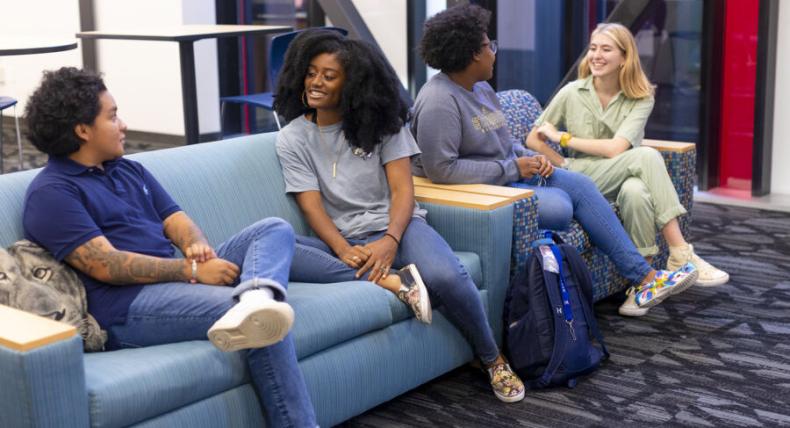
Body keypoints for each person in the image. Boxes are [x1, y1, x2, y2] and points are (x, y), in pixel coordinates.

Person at [22, 67, 316, 427]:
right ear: (82, 131)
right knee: (262, 321)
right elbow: (106, 265)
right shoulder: (52, 193)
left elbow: (175, 219)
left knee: (272, 229)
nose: (123, 125)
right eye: (112, 117)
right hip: (125, 306)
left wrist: (196, 247)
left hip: (174, 280)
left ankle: (256, 294)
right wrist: (191, 270)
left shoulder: (127, 169)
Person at [273, 29, 525, 403]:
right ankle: (393, 280)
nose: (315, 82)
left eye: (329, 75)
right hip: (341, 241)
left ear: (353, 83)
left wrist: (390, 241)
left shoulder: (382, 125)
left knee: (446, 275)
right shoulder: (292, 137)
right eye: (311, 73)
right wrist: (343, 248)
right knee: (276, 241)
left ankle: (492, 359)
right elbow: (310, 205)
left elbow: (403, 192)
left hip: (399, 227)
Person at [412, 4, 699, 317]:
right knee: (561, 207)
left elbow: (505, 144)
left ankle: (645, 278)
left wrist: (532, 159)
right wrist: (511, 168)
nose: (495, 52)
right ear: (471, 54)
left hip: (508, 174)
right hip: (481, 190)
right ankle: (646, 275)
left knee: (580, 185)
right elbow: (441, 170)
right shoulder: (438, 102)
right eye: (488, 46)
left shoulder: (481, 89)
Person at [526, 22, 729, 288]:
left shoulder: (641, 97)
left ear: (624, 57)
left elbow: (616, 149)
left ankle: (641, 286)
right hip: (582, 178)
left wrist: (563, 138)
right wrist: (562, 162)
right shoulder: (571, 92)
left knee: (636, 192)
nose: (597, 55)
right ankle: (680, 253)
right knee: (646, 156)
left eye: (606, 49)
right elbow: (532, 139)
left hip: (622, 175)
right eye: (593, 48)